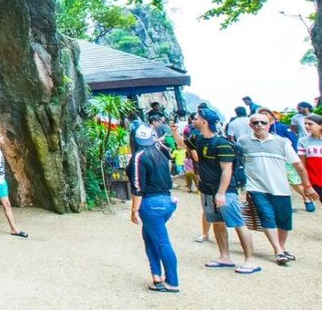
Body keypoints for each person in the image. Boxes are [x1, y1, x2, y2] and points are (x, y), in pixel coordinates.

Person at [239, 112, 319, 265]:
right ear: (251, 125)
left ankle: (281, 247)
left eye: (262, 122)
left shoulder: (281, 142)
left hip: (280, 187)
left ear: (269, 124)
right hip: (256, 187)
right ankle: (278, 250)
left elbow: (298, 166)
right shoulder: (243, 142)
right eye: (255, 123)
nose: (259, 125)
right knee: (267, 216)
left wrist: (307, 186)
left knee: (284, 220)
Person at [185, 107, 258, 274]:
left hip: (224, 191)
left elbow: (227, 170)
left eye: (196, 118)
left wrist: (221, 192)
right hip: (207, 188)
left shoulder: (222, 143)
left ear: (204, 121)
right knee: (217, 222)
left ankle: (250, 260)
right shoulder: (199, 138)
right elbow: (185, 145)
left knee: (238, 222)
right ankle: (224, 256)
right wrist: (175, 133)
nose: (193, 121)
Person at [127, 125, 179, 293]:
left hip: (151, 204)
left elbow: (138, 186)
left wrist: (134, 210)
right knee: (149, 238)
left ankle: (172, 282)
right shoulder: (160, 153)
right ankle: (156, 277)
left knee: (162, 242)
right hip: (167, 201)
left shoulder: (139, 157)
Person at [259, 108, 313, 212]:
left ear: (272, 115)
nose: (263, 116)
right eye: (261, 114)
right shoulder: (261, 130)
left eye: (265, 114)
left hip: (287, 159)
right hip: (271, 160)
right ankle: (286, 205)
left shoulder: (282, 127)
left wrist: (295, 157)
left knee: (295, 182)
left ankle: (307, 199)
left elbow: (293, 140)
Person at [298, 114, 322, 199]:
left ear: (320, 126)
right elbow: (302, 164)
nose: (306, 126)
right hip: (314, 180)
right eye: (305, 123)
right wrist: (306, 184)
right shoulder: (303, 141)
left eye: (310, 124)